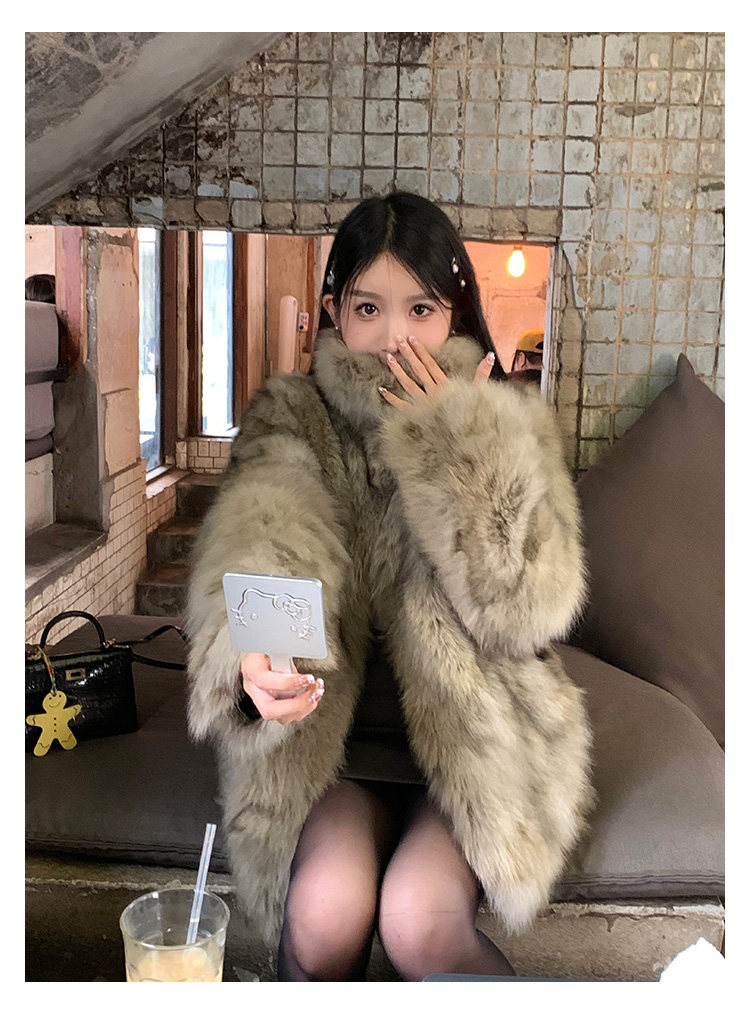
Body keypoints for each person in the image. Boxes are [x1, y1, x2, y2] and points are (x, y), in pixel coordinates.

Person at [186, 192, 594, 982]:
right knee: (324, 911)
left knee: (418, 919)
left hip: (481, 738)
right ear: (335, 311)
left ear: (455, 314)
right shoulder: (294, 414)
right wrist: (252, 651)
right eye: (369, 307)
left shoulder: (507, 419)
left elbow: (530, 607)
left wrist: (458, 443)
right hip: (332, 750)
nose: (394, 336)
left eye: (421, 309)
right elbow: (266, 527)